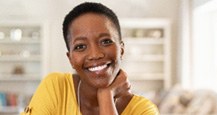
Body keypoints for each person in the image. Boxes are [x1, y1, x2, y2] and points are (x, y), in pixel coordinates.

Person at [21, 2, 159, 115]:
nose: (95, 54)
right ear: (70, 59)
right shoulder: (57, 87)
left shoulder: (144, 111)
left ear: (121, 49)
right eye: (80, 46)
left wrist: (106, 96)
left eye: (105, 41)